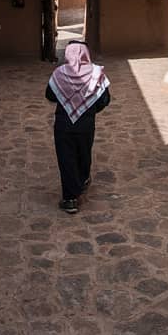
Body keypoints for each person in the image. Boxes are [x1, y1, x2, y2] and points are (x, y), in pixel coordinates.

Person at [46, 40, 111, 214]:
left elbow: (50, 95)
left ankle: (70, 199)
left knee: (66, 158)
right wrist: (90, 108)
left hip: (63, 123)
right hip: (86, 123)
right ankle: (81, 181)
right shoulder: (96, 73)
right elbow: (105, 99)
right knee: (83, 152)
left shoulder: (59, 73)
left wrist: (67, 98)